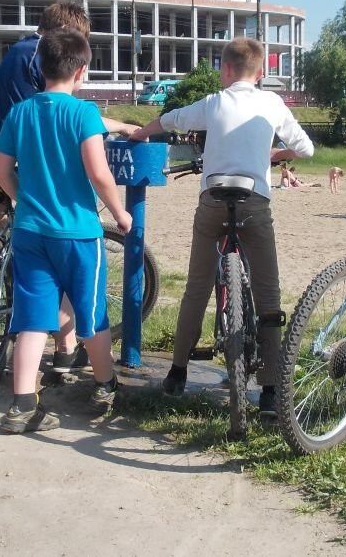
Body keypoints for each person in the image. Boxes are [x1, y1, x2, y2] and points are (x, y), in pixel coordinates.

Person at [130, 38, 314, 415]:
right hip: (255, 203)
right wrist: (276, 153)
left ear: (225, 71)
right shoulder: (272, 103)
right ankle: (268, 392)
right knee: (268, 292)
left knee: (196, 286)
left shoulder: (214, 103)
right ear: (260, 73)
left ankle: (178, 373)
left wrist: (139, 134)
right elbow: (306, 149)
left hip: (213, 199)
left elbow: (170, 119)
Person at [0, 1, 138, 373]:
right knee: (61, 264)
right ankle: (69, 351)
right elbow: (55, 112)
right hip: (23, 164)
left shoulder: (18, 53)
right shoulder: (39, 55)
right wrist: (119, 126)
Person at [0, 29, 132, 433]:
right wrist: (121, 214)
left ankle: (22, 405)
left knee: (32, 318)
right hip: (78, 233)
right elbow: (98, 172)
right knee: (91, 315)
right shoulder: (83, 113)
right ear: (81, 70)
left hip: (31, 232)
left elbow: (0, 169)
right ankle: (106, 386)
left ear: (40, 68)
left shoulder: (20, 112)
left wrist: (25, 200)